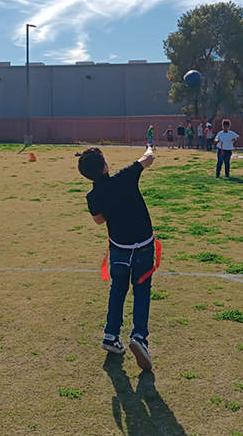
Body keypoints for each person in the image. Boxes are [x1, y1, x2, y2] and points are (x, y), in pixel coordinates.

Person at [79, 145, 158, 371]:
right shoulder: (125, 177)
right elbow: (148, 158)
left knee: (118, 288)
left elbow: (99, 220)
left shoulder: (93, 196)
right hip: (143, 246)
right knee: (142, 289)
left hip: (119, 249)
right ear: (105, 166)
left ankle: (111, 334)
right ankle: (139, 336)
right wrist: (149, 145)